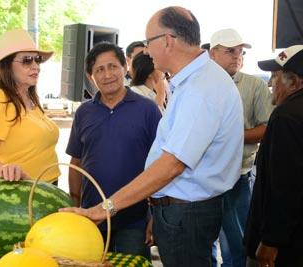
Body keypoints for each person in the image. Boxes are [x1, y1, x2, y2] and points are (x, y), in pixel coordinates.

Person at [61, 6, 244, 266]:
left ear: (168, 40)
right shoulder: (193, 82)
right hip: (180, 211)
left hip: (185, 214)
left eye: (148, 42)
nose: (145, 51)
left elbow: (171, 165)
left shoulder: (200, 90)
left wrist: (106, 208)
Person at [66, 42, 162, 258]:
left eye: (112, 67)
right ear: (91, 76)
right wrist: (75, 206)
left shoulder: (147, 109)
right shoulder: (84, 112)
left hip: (135, 219)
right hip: (92, 217)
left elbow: (161, 165)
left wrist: (154, 215)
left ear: (125, 68)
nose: (107, 75)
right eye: (99, 70)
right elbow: (76, 162)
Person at [209, 28, 274, 267]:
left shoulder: (255, 85)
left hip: (239, 176)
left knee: (238, 244)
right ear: (212, 54)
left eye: (240, 51)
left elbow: (267, 128)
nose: (237, 56)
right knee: (206, 241)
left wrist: (229, 136)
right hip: (202, 178)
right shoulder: (199, 85)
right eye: (230, 51)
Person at [0, 29, 60, 182]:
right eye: (27, 60)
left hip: (44, 190)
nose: (36, 66)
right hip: (18, 196)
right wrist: (5, 171)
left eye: (37, 59)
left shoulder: (30, 97)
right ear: (7, 65)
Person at [245, 45, 303, 267]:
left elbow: (285, 186)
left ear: (294, 82)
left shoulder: (286, 116)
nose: (270, 84)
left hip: (285, 247)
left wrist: (270, 241)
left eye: (275, 77)